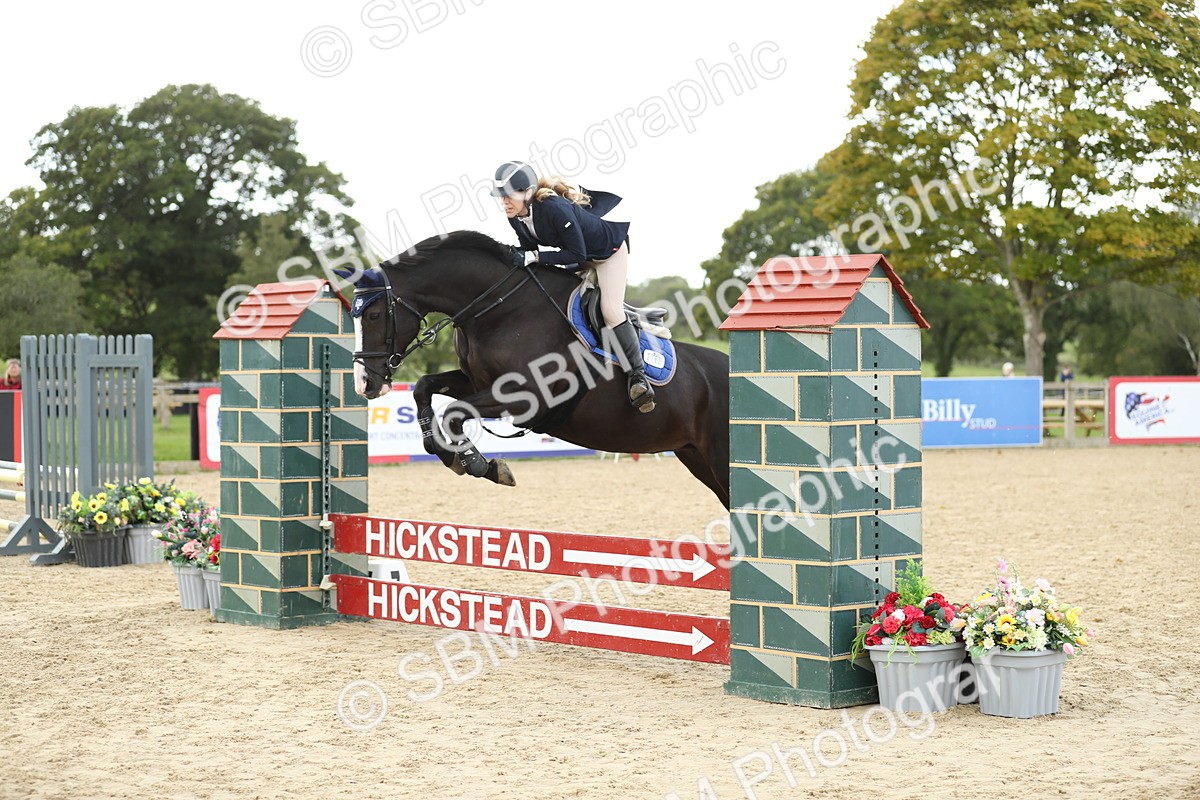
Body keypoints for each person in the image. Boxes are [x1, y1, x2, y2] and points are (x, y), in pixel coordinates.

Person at [491, 160, 654, 412]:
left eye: (508, 196)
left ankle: (638, 377)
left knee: (610, 311)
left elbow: (575, 255)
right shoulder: (516, 218)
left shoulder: (554, 208)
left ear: (527, 192)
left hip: (607, 254)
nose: (504, 202)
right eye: (500, 197)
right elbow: (528, 251)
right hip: (578, 256)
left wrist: (534, 258)